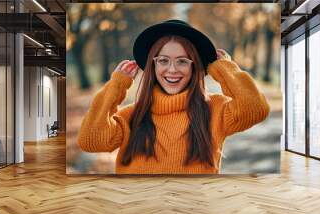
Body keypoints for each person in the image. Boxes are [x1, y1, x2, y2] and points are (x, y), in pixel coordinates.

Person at [77, 19, 270, 174]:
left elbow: (256, 108)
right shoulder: (131, 116)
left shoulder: (215, 109)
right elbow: (90, 141)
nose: (172, 70)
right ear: (153, 66)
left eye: (182, 61)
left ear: (194, 66)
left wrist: (225, 69)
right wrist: (116, 86)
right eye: (163, 60)